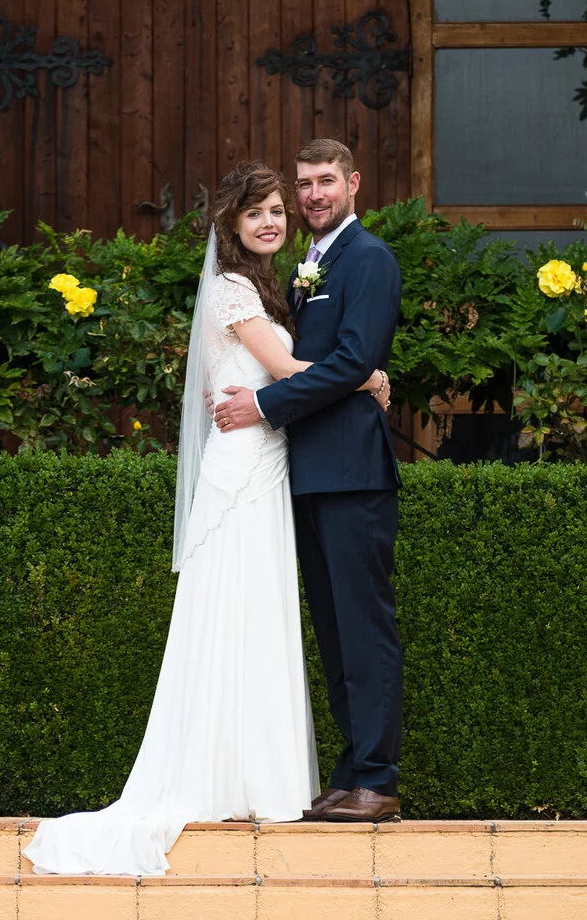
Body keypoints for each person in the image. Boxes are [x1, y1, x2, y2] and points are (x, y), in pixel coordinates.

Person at [22, 161, 390, 876]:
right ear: (230, 222)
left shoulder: (269, 286)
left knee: (259, 616)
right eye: (257, 212)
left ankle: (264, 775)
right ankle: (243, 778)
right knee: (236, 612)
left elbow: (277, 367)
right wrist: (365, 374)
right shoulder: (230, 287)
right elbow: (287, 370)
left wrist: (333, 370)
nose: (273, 221)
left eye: (279, 209)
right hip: (247, 467)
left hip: (267, 461)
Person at [214, 139, 403, 823]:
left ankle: (378, 780)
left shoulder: (370, 260)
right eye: (304, 184)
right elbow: (320, 361)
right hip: (308, 473)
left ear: (353, 182)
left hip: (352, 471)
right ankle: (351, 771)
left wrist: (263, 405)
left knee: (365, 627)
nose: (314, 194)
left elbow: (354, 356)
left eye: (326, 181)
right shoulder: (306, 267)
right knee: (333, 630)